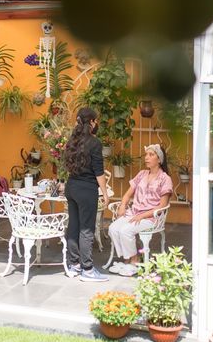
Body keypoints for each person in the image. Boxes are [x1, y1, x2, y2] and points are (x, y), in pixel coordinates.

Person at [107, 144, 172, 276]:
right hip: (134, 213)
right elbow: (127, 194)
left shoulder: (165, 179)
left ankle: (134, 260)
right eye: (146, 155)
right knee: (113, 228)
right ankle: (127, 259)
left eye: (151, 155)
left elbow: (162, 205)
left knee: (125, 231)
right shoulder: (142, 174)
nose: (147, 158)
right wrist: (123, 205)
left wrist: (142, 216)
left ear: (159, 159)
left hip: (151, 217)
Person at [63, 107, 111, 282]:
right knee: (86, 229)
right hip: (86, 190)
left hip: (72, 187)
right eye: (95, 120)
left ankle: (74, 264)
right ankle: (88, 269)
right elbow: (99, 172)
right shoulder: (94, 142)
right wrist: (105, 193)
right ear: (91, 122)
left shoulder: (72, 140)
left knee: (74, 226)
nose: (96, 123)